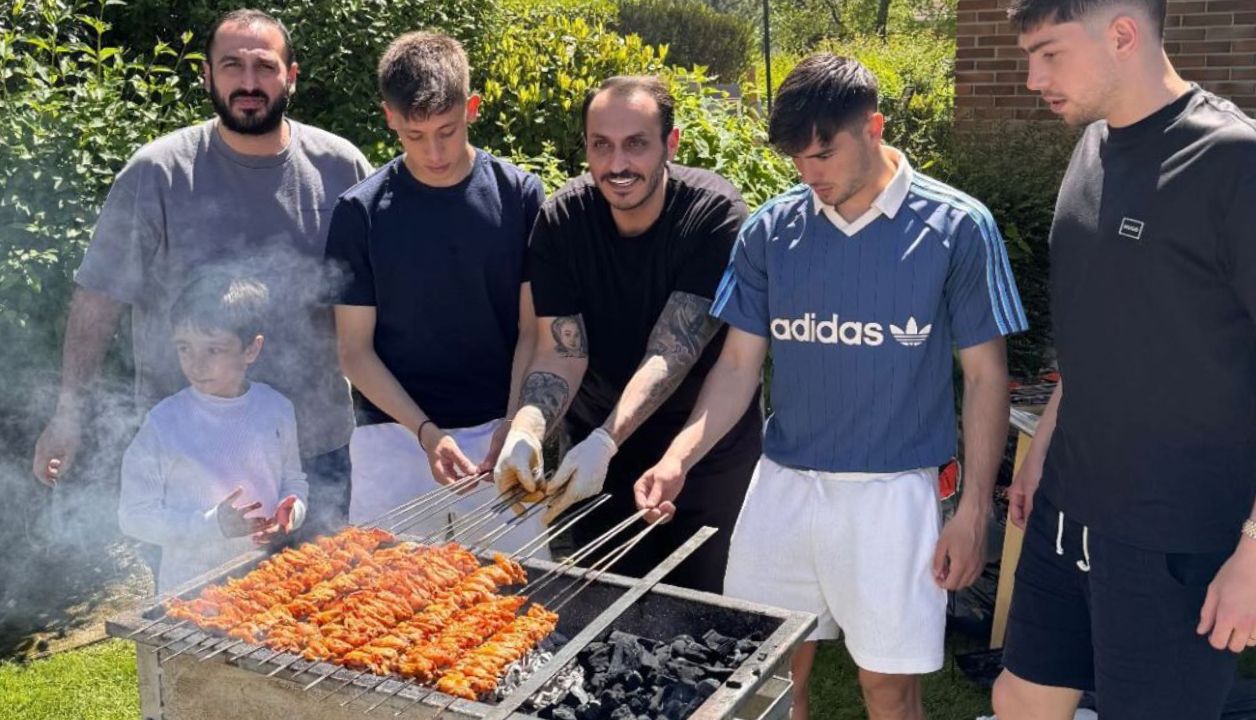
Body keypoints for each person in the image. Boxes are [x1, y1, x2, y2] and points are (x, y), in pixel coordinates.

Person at [634, 54, 1026, 720]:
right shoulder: (770, 229)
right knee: (766, 678)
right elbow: (736, 367)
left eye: (822, 153)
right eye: (796, 159)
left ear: (872, 128)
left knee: (889, 690)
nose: (809, 173)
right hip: (784, 487)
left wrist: (972, 511)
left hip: (893, 495)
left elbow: (988, 377)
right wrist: (677, 458)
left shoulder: (958, 227)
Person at [991, 1, 1256, 717]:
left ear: (1122, 33)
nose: (1032, 78)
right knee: (1020, 699)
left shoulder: (1240, 162)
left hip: (1175, 542)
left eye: (1050, 53)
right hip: (1068, 511)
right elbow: (1103, 324)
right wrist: (1045, 447)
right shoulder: (1092, 146)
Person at [32, 9, 370, 535]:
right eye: (232, 66)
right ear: (207, 76)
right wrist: (68, 413)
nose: (249, 82)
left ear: (292, 76)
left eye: (265, 66)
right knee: (198, 614)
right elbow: (98, 299)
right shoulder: (156, 173)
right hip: (188, 453)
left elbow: (375, 300)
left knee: (320, 608)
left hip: (312, 450)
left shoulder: (339, 166)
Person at [493, 75, 763, 593]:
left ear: (671, 143)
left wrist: (605, 441)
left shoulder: (713, 214)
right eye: (602, 145)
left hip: (698, 451)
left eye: (636, 144)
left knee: (700, 618)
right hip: (594, 454)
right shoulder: (562, 220)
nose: (617, 165)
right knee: (596, 611)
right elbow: (559, 349)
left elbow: (673, 350)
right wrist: (527, 429)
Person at [325, 31, 546, 552]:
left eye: (447, 130)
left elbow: (532, 330)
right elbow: (353, 352)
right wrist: (426, 433)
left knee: (514, 599)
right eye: (415, 135)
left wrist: (515, 423)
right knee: (384, 606)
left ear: (472, 107)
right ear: (390, 119)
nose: (435, 152)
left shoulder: (519, 196)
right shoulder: (359, 212)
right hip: (392, 436)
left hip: (497, 429)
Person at [118, 274, 305, 594]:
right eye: (184, 348)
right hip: (190, 595)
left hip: (265, 585)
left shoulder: (277, 409)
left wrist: (293, 511)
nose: (196, 364)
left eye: (213, 350)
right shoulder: (164, 423)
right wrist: (210, 525)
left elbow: (294, 481)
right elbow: (133, 516)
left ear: (251, 349)